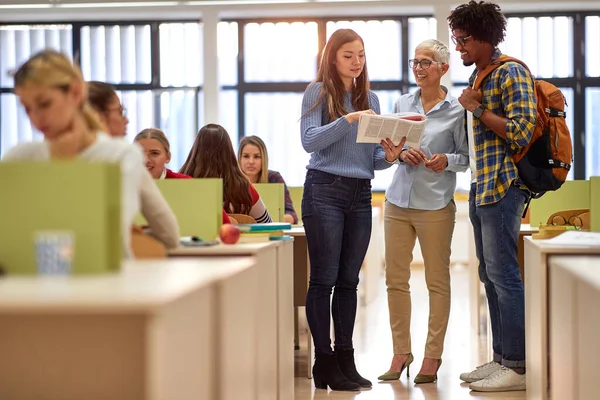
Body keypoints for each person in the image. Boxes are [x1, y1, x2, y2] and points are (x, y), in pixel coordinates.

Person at [300, 28, 404, 391]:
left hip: (360, 194)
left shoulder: (371, 99)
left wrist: (389, 156)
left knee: (348, 281)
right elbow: (309, 141)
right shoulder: (318, 92)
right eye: (348, 55)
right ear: (332, 58)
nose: (356, 61)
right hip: (324, 190)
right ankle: (324, 361)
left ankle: (346, 358)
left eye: (360, 54)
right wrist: (347, 118)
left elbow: (370, 158)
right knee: (323, 279)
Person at [448, 1, 535, 392]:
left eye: (463, 40)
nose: (459, 48)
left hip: (504, 188)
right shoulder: (481, 76)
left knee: (505, 276)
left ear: (484, 36)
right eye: (456, 40)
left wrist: (478, 108)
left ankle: (516, 365)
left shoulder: (511, 72)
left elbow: (520, 132)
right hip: (482, 188)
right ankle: (501, 358)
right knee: (489, 275)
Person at [377, 39, 469, 385]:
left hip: (435, 205)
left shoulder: (458, 110)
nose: (418, 67)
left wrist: (446, 160)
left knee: (437, 282)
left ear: (444, 68)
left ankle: (432, 357)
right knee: (395, 281)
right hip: (398, 201)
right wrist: (400, 154)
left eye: (426, 62)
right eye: (415, 61)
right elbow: (389, 149)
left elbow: (467, 158)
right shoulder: (402, 103)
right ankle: (401, 353)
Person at [1, 50, 145, 257]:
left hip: (108, 281)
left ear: (76, 93)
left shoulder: (121, 156)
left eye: (44, 104)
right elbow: (12, 238)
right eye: (27, 109)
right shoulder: (19, 157)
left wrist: (63, 167)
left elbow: (103, 237)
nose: (36, 119)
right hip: (32, 282)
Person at [87, 82, 179, 249]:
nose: (126, 119)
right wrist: (142, 235)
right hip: (118, 264)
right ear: (98, 115)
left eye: (154, 153)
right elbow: (169, 233)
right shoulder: (124, 155)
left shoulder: (38, 155)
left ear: (168, 156)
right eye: (120, 112)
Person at [135, 128, 231, 224]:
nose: (146, 160)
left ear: (168, 157)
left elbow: (225, 224)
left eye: (154, 153)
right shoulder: (122, 186)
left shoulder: (189, 185)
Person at [180, 123, 272, 224]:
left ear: (195, 150)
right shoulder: (244, 188)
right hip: (238, 240)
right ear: (229, 153)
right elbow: (267, 224)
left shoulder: (180, 184)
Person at [238, 135, 298, 224]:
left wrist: (269, 220)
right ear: (239, 158)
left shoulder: (274, 178)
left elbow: (292, 216)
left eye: (257, 157)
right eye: (246, 156)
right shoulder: (231, 181)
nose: (251, 161)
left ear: (264, 159)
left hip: (270, 232)